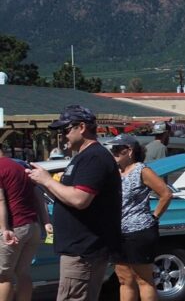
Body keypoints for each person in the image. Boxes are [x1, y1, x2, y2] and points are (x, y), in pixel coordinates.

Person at [26, 105, 121, 301]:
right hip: (81, 250)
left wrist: (47, 180)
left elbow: (79, 199)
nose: (62, 136)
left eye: (66, 130)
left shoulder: (94, 157)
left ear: (82, 127)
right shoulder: (84, 157)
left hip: (83, 252)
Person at [103, 135, 172, 301]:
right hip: (118, 233)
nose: (114, 152)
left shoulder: (142, 170)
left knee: (144, 280)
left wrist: (154, 217)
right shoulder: (116, 172)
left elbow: (166, 194)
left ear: (130, 151)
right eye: (112, 149)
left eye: (118, 149)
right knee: (124, 280)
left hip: (139, 232)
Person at [0, 142, 51, 301]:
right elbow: (38, 196)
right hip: (32, 226)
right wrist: (45, 221)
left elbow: (0, 201)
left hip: (14, 227)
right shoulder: (20, 167)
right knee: (23, 272)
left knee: (3, 276)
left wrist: (3, 228)